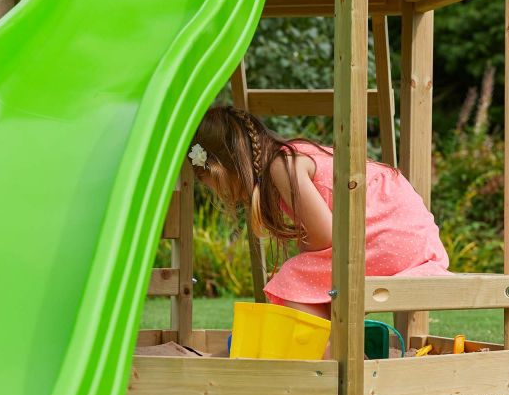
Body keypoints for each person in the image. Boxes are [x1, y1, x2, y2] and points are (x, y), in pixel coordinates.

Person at [188, 105, 450, 324]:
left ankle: (329, 354)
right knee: (304, 278)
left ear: (224, 168)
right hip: (410, 237)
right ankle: (334, 346)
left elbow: (325, 235)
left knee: (293, 278)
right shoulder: (292, 154)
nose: (220, 193)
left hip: (390, 236)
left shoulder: (283, 165)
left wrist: (303, 256)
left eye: (214, 184)